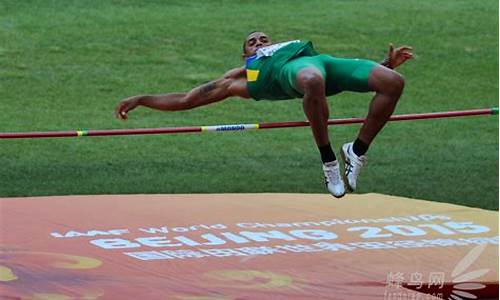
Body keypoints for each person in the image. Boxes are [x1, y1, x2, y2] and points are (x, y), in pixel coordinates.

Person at [115, 32, 413, 198]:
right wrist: (142, 99)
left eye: (263, 38)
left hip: (321, 64)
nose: (259, 42)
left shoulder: (289, 49)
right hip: (299, 74)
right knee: (311, 79)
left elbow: (341, 74)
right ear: (246, 55)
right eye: (252, 42)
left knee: (392, 82)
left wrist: (385, 63)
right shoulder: (244, 76)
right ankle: (328, 161)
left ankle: (355, 151)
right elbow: (187, 99)